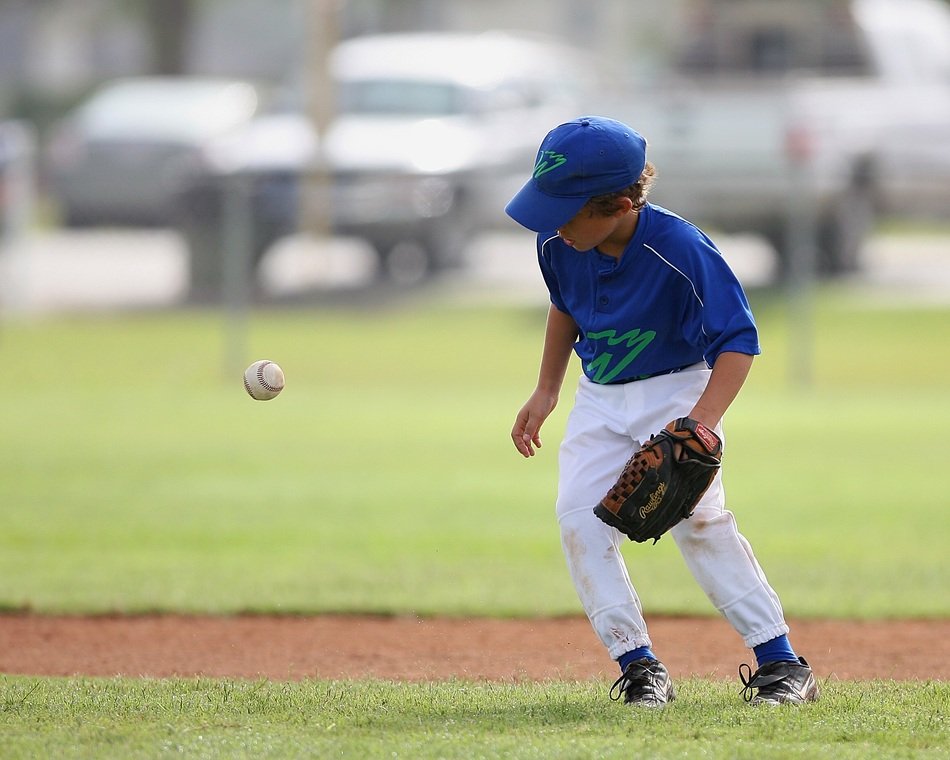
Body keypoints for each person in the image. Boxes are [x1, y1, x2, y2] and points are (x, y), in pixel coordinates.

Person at [505, 116, 819, 707]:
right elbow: (564, 306)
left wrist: (701, 423)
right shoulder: (559, 241)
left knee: (698, 522)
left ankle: (782, 663)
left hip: (676, 392)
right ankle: (639, 666)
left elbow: (738, 341)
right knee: (578, 521)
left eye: (566, 211)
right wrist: (547, 389)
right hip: (599, 396)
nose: (553, 223)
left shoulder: (680, 247)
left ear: (620, 205)